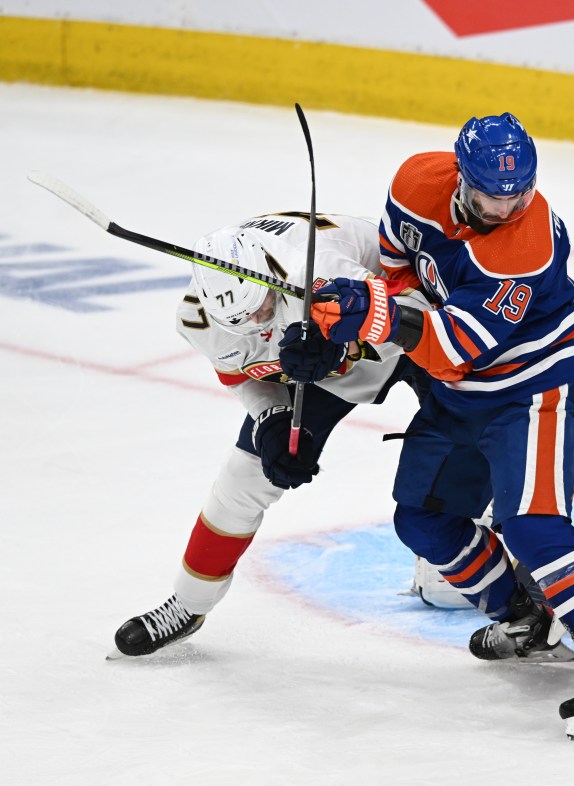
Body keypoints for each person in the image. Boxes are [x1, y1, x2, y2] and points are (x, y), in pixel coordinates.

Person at [308, 113, 574, 741]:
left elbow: (449, 346)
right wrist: (363, 304)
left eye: (518, 193)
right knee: (421, 519)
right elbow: (398, 271)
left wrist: (376, 315)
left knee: (533, 526)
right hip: (458, 393)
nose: (505, 206)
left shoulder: (527, 245)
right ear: (460, 177)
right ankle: (528, 617)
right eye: (491, 194)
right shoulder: (416, 181)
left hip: (529, 391)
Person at [113, 212, 430, 658]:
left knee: (474, 432)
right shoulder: (198, 321)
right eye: (242, 322)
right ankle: (189, 604)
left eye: (262, 309)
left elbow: (414, 315)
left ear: (268, 277)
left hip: (404, 327)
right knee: (242, 480)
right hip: (324, 370)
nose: (259, 327)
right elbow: (244, 375)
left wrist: (343, 342)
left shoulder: (319, 270)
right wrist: (272, 417)